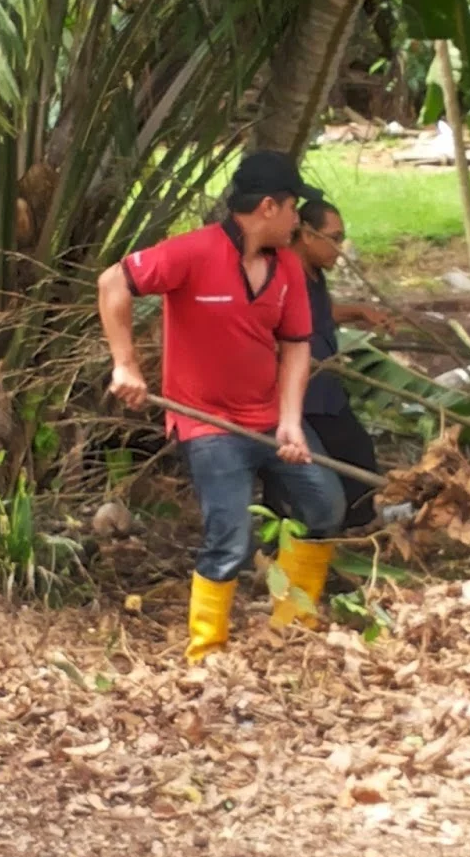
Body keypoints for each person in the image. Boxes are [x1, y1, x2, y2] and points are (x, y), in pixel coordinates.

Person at [97, 152, 346, 659]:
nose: (298, 220)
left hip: (269, 419)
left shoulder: (288, 268)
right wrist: (125, 364)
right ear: (269, 207)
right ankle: (206, 650)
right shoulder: (193, 252)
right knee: (230, 537)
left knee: (325, 505)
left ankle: (293, 623)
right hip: (206, 423)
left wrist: (291, 423)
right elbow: (112, 282)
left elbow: (296, 345)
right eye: (293, 208)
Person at [295, 197, 389, 530]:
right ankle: (339, 531)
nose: (339, 249)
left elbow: (322, 314)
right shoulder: (287, 277)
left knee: (356, 455)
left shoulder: (314, 274)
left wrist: (359, 312)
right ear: (307, 235)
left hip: (326, 388)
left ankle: (349, 530)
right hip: (306, 394)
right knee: (340, 463)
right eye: (333, 238)